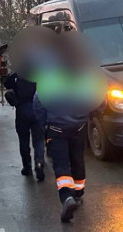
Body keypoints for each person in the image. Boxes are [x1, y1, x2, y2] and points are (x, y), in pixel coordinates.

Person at [33, 79, 104, 223]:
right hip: (79, 126)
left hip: (56, 128)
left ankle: (67, 197)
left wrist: (44, 124)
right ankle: (78, 192)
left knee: (61, 165)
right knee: (77, 159)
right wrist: (89, 114)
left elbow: (38, 103)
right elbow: (99, 100)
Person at [3, 72, 45, 181]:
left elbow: (7, 84)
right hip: (37, 108)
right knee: (39, 139)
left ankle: (27, 167)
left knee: (23, 139)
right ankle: (39, 163)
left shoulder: (18, 74)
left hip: (22, 110)